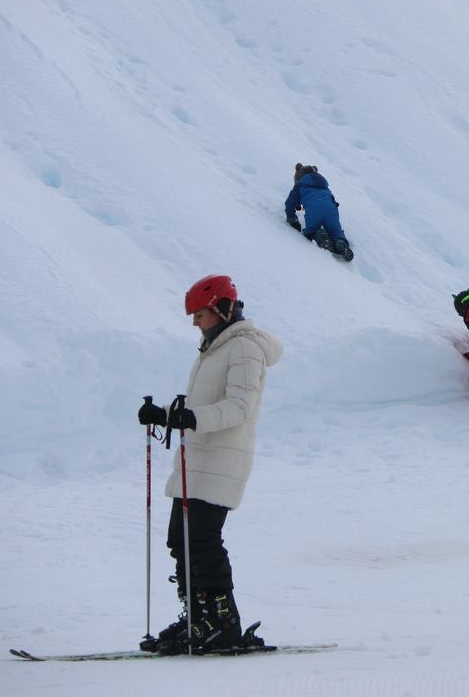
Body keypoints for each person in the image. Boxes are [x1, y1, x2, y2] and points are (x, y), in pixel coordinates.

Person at [136, 274, 283, 654]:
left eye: (200, 314)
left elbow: (238, 407)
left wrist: (191, 420)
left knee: (202, 542)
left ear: (222, 309)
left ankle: (223, 623)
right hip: (196, 461)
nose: (195, 322)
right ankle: (198, 617)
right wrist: (164, 414)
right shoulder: (214, 347)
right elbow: (198, 407)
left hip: (222, 460)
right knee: (180, 541)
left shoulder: (245, 349)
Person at [285, 163, 354, 261]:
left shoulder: (300, 186)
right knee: (335, 230)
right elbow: (333, 201)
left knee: (312, 230)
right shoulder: (324, 185)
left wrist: (291, 218)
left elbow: (289, 203)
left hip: (314, 211)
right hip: (330, 211)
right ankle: (339, 241)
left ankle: (319, 235)